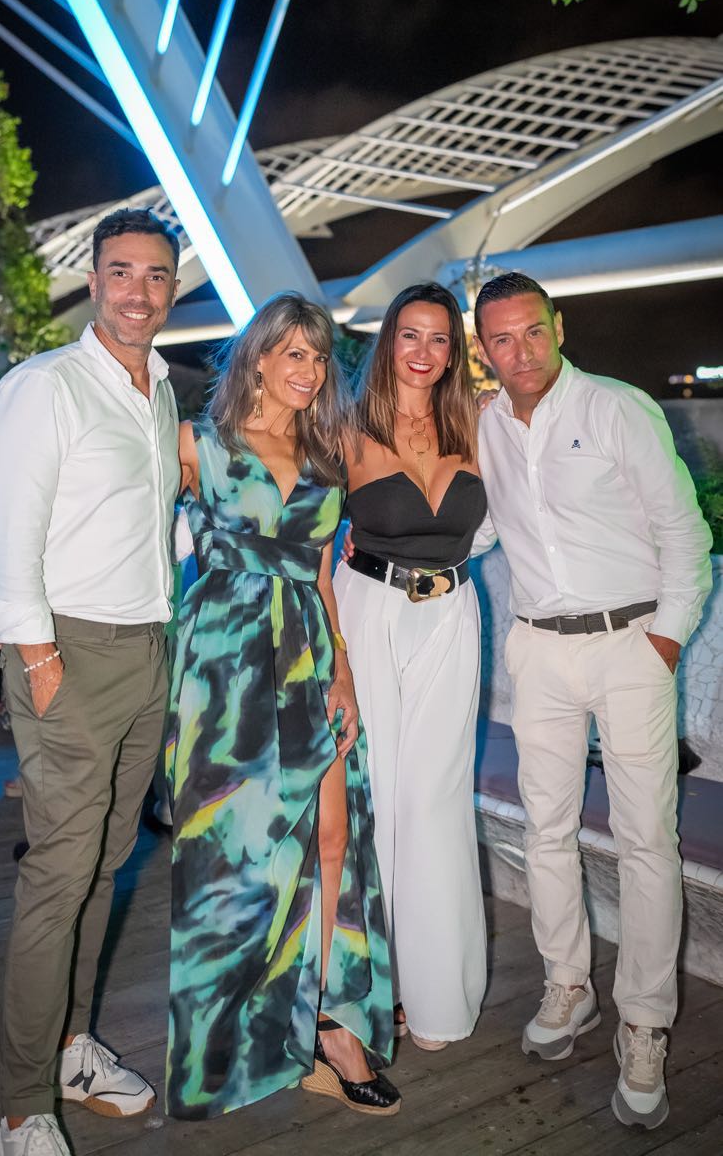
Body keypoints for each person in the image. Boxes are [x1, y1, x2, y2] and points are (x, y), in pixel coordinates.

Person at [472, 271, 712, 1131]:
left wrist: (663, 643)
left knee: (646, 841)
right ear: (483, 350)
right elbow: (484, 524)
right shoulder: (485, 425)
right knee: (546, 829)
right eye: (501, 339)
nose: (521, 351)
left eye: (532, 331)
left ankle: (643, 1024)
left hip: (628, 645)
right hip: (539, 650)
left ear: (558, 326)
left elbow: (683, 531)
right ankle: (568, 985)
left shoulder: (615, 408)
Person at [0, 208, 183, 1156]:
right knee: (58, 878)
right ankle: (22, 1109)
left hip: (146, 653)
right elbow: (8, 539)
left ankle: (69, 1047)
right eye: (121, 272)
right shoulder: (45, 385)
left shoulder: (160, 390)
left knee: (104, 863)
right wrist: (39, 660)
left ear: (171, 288)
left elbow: (148, 524)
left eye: (155, 275)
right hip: (67, 655)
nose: (138, 292)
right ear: (93, 280)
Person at [166, 295, 400, 1120]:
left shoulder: (326, 451)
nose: (308, 370)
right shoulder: (197, 445)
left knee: (332, 836)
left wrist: (343, 673)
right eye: (293, 354)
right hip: (223, 669)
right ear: (258, 358)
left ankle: (326, 1023)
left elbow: (321, 575)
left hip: (306, 654)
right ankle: (233, 1040)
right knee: (234, 855)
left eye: (318, 356)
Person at [335, 282, 489, 1051]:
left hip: (451, 619)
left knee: (434, 802)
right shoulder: (344, 429)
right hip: (367, 613)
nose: (423, 352)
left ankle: (435, 997)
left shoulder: (478, 423)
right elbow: (297, 531)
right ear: (386, 342)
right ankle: (371, 990)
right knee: (375, 799)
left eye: (438, 338)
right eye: (409, 335)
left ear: (453, 351)